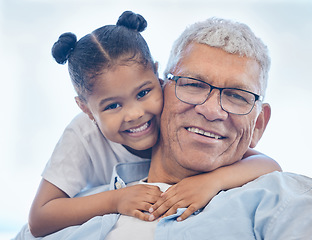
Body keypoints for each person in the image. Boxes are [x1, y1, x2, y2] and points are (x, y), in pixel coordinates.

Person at [17, 12, 282, 239]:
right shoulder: (83, 135)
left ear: (157, 78)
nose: (135, 115)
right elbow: (39, 218)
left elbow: (268, 164)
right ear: (86, 109)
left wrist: (212, 182)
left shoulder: (171, 114)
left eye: (143, 93)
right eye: (112, 106)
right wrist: (116, 200)